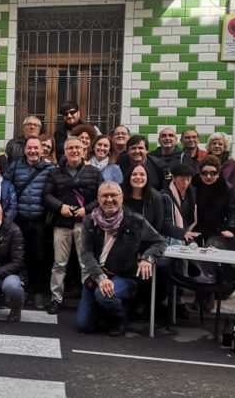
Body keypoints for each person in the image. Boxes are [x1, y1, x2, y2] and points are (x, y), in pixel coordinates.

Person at [75, 181, 167, 336]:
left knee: (102, 295)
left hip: (124, 277)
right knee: (83, 325)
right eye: (105, 196)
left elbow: (160, 242)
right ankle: (106, 310)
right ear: (98, 198)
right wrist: (100, 278)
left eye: (113, 195)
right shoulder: (89, 221)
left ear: (122, 198)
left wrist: (147, 258)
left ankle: (120, 316)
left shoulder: (136, 221)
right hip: (98, 278)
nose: (109, 199)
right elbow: (86, 253)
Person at [43, 136, 104, 314]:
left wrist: (87, 210)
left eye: (78, 148)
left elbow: (102, 196)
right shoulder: (55, 173)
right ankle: (56, 299)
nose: (74, 151)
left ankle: (88, 298)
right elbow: (46, 195)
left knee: (85, 264)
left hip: (84, 224)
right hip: (61, 224)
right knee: (59, 264)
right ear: (65, 151)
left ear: (84, 150)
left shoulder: (93, 172)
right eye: (70, 148)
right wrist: (59, 206)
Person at [3, 136, 55, 309]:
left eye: (36, 148)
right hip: (20, 220)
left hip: (40, 221)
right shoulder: (16, 165)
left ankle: (37, 292)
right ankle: (21, 290)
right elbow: (5, 184)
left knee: (39, 258)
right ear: (25, 149)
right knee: (19, 256)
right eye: (29, 148)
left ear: (42, 150)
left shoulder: (49, 168)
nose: (33, 151)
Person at [192, 155, 235, 244]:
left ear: (218, 173)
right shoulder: (193, 185)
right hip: (194, 227)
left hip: (216, 227)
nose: (208, 176)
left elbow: (232, 211)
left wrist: (230, 229)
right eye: (204, 173)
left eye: (213, 173)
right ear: (200, 173)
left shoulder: (226, 187)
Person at [160, 163, 200, 244]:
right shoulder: (164, 196)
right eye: (182, 179)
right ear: (173, 178)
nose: (185, 183)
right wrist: (182, 233)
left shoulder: (193, 193)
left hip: (188, 234)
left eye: (188, 179)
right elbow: (164, 223)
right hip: (168, 238)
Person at [121, 164, 167, 235]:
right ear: (129, 177)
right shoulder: (119, 194)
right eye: (134, 174)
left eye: (142, 174)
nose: (138, 177)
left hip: (148, 239)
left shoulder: (156, 196)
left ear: (147, 178)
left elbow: (158, 224)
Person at [206, 132, 235, 201]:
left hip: (225, 204)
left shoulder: (231, 165)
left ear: (225, 147)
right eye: (214, 143)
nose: (217, 146)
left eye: (220, 144)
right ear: (209, 146)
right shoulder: (203, 162)